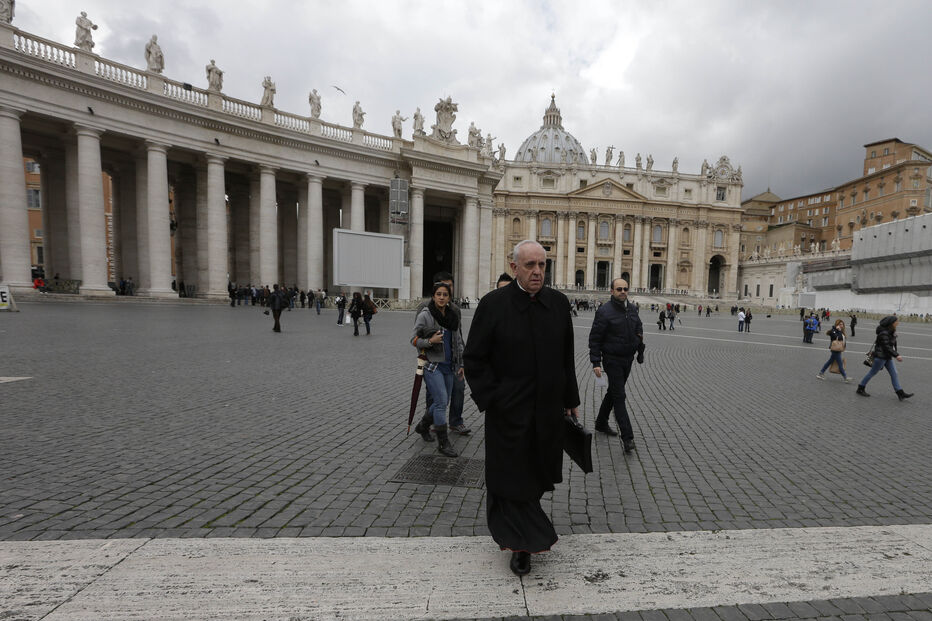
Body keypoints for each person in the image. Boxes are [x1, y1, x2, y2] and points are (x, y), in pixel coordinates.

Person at [464, 240, 580, 576]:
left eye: (542, 265)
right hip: (507, 412)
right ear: (515, 267)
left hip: (546, 411)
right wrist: (492, 399)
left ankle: (521, 535)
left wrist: (570, 399)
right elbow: (474, 358)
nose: (537, 272)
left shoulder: (557, 304)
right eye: (530, 265)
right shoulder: (493, 305)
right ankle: (523, 544)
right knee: (511, 476)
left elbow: (566, 358)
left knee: (535, 474)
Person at [588, 278, 644, 452]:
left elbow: (639, 329)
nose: (623, 291)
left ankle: (601, 422)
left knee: (613, 392)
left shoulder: (633, 309)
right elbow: (595, 337)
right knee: (619, 396)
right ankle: (628, 438)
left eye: (625, 288)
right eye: (619, 289)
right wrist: (596, 361)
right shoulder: (604, 311)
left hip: (628, 359)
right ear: (611, 291)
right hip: (612, 359)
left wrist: (640, 349)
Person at [412, 282, 464, 457]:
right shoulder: (425, 315)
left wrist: (461, 364)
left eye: (445, 295)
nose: (442, 297)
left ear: (449, 298)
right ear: (433, 296)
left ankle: (423, 426)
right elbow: (414, 340)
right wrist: (429, 342)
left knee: (441, 401)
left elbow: (457, 342)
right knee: (441, 402)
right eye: (438, 294)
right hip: (432, 365)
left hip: (450, 365)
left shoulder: (453, 315)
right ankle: (443, 443)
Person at [857, 316, 913, 400]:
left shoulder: (891, 332)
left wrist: (894, 336)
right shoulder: (884, 333)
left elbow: (892, 345)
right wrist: (896, 355)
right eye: (896, 321)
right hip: (881, 357)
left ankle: (900, 393)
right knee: (872, 373)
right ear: (892, 323)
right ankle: (860, 388)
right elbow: (886, 346)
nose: (898, 323)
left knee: (894, 373)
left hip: (887, 356)